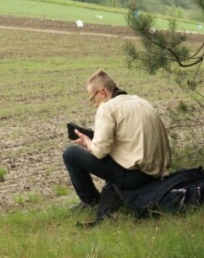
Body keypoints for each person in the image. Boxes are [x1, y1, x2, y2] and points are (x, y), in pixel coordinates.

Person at [62, 69, 171, 210]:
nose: (95, 104)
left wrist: (88, 143)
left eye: (93, 99)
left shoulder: (107, 108)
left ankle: (91, 202)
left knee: (70, 154)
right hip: (158, 174)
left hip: (137, 177)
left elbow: (100, 152)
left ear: (102, 92)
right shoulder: (140, 101)